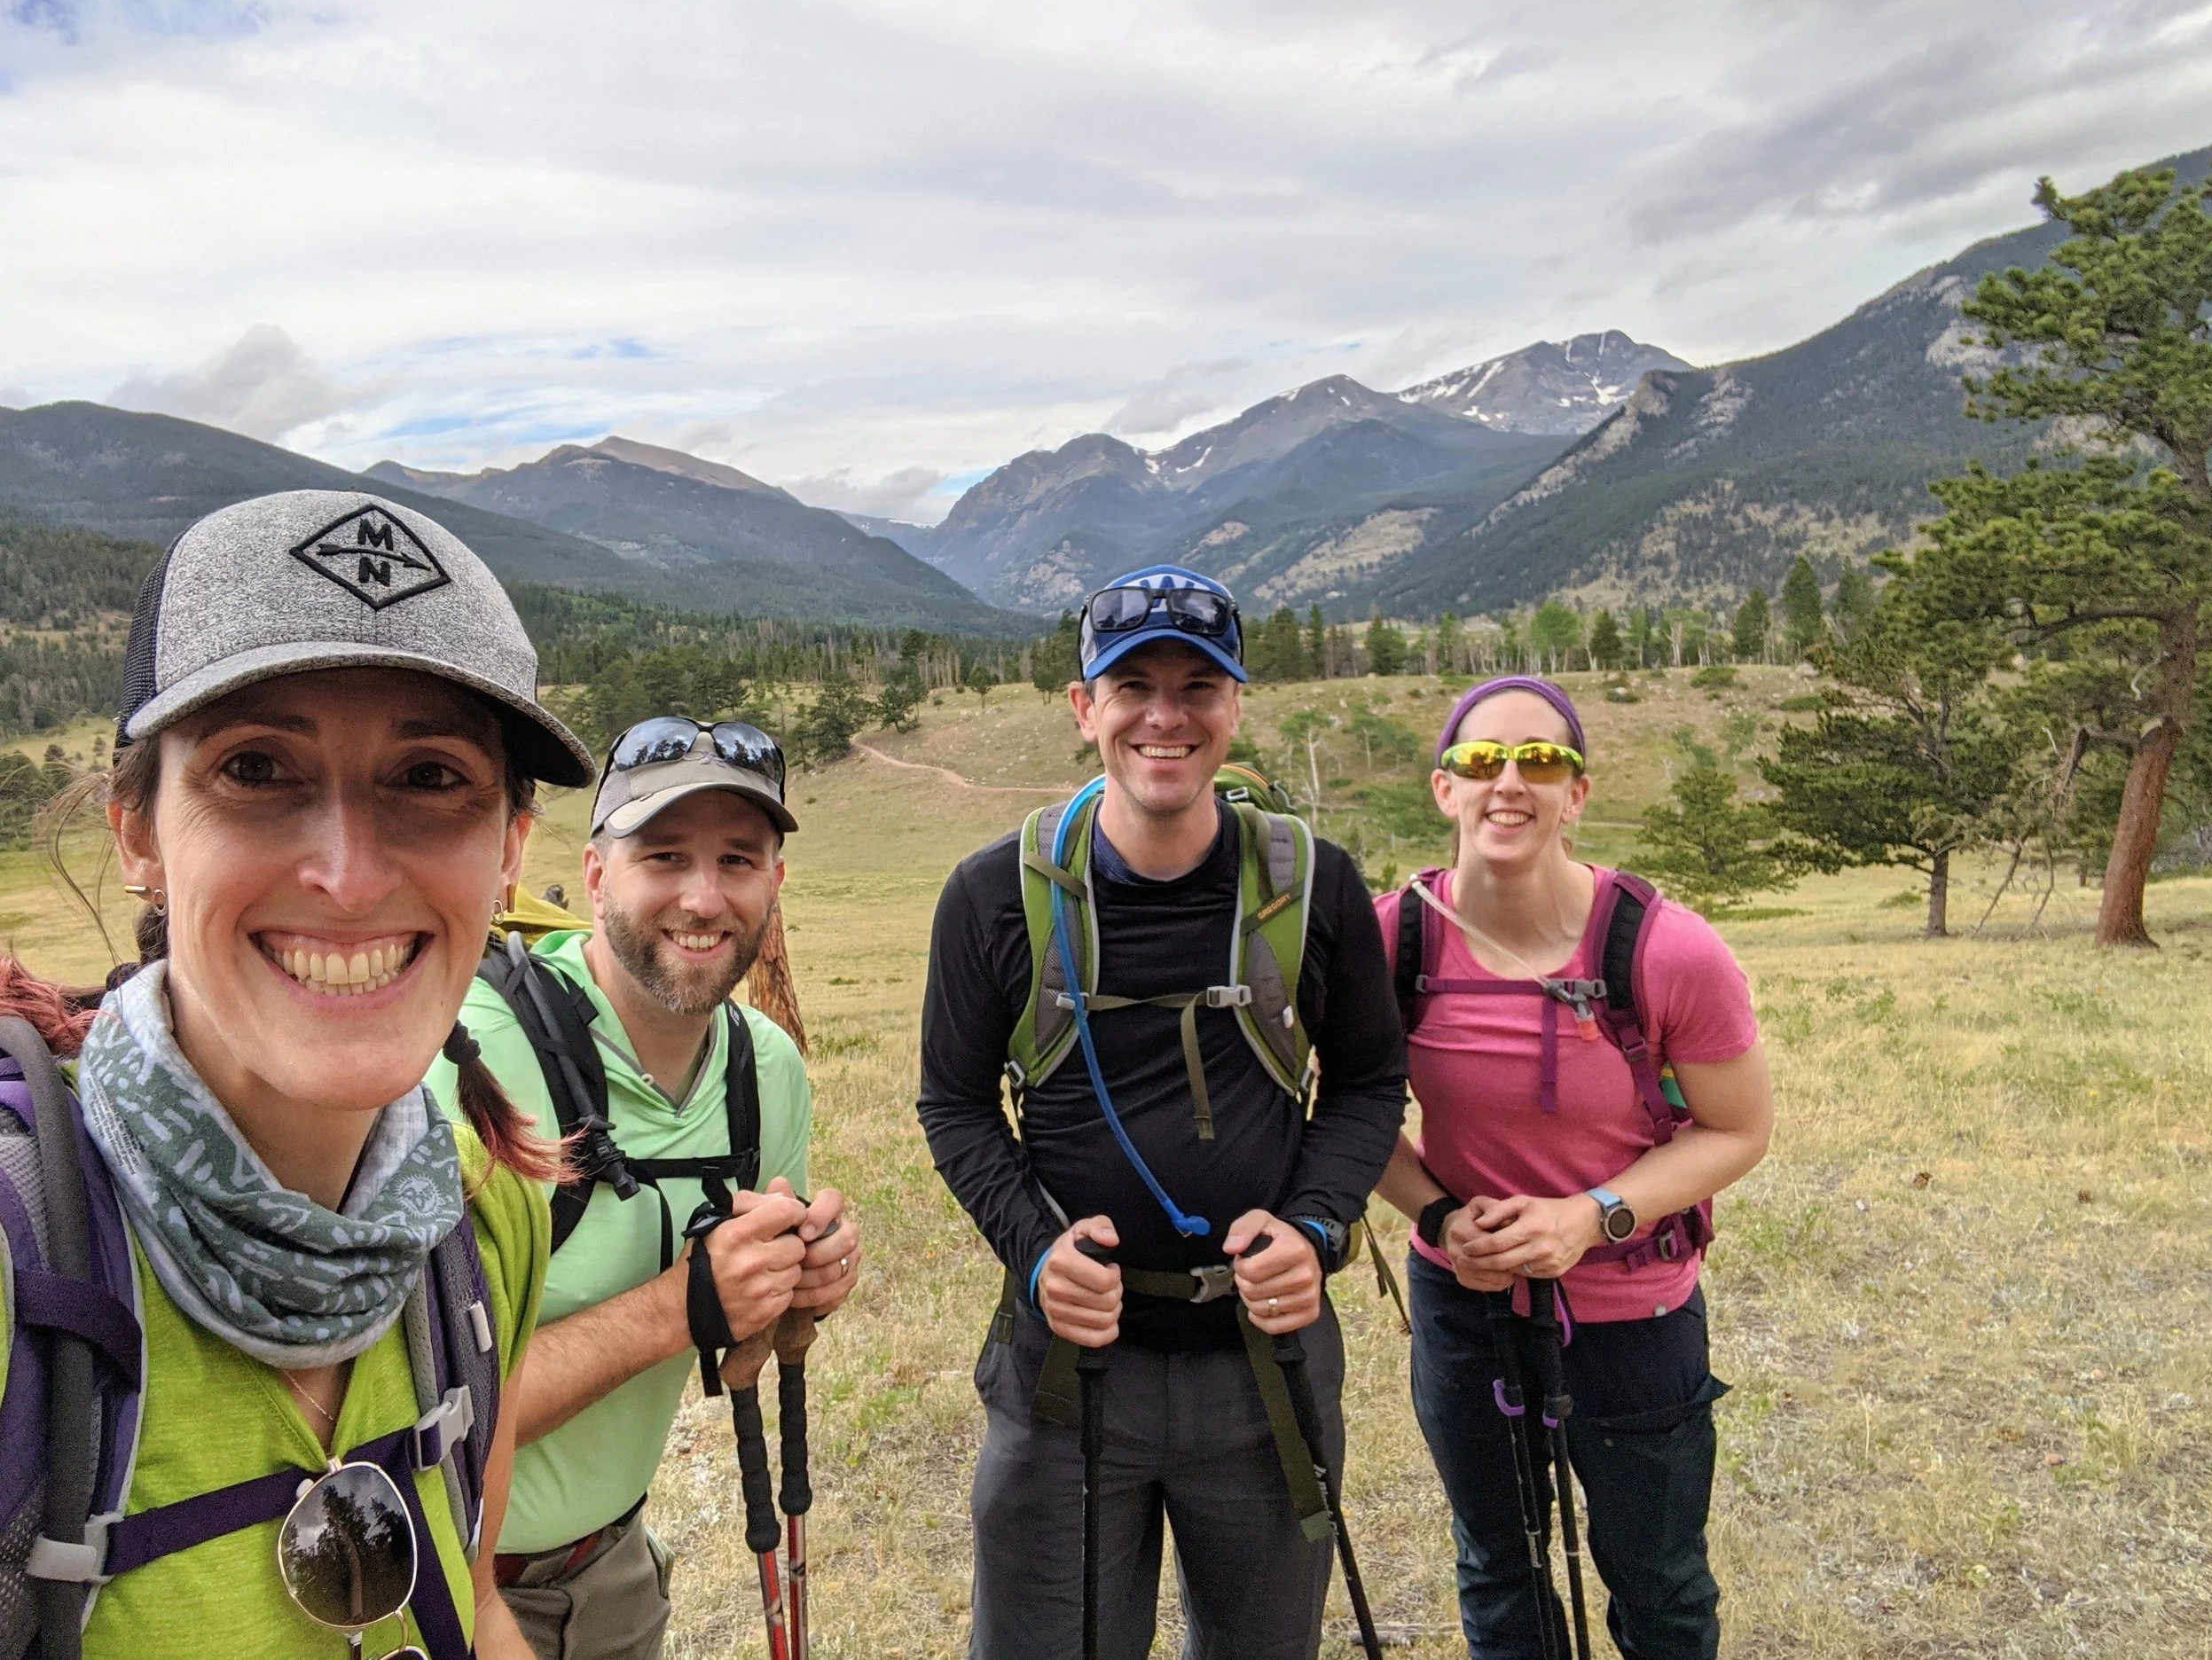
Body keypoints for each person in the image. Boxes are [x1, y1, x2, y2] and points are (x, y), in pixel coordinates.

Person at [0, 489, 596, 1657]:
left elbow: (471, 1597)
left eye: (429, 778)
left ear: (511, 849)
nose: (350, 871)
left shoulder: (483, 1209)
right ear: (139, 833)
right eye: (258, 765)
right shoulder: (27, 1256)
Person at [917, 565, 1408, 1660]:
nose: (1165, 715)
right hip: (1065, 1375)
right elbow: (952, 1104)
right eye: (1131, 684)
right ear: (1084, 708)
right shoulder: (993, 895)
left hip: (1264, 1362)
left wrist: (1319, 1226)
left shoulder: (1314, 886)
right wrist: (1036, 1252)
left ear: (1236, 707)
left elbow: (1371, 1082)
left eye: (1199, 685)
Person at [427, 716, 859, 1660]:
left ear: (773, 885)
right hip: (443, 1589)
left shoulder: (766, 1072)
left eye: (738, 861)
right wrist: (681, 1305)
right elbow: (415, 1417)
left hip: (614, 1575)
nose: (703, 898)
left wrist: (799, 1283)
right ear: (593, 876)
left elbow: (748, 1344)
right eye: (663, 855)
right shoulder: (470, 1061)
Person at [1373, 676, 1774, 1660]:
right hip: (1465, 1311)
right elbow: (1352, 1116)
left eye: (1541, 760)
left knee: (1658, 1579)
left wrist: (1586, 1219)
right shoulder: (1392, 938)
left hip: (1632, 1317)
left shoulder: (1665, 950)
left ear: (1576, 794)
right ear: (1443, 789)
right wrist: (1435, 1220)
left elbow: (1736, 1131)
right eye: (1481, 761)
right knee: (1497, 1567)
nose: (1509, 781)